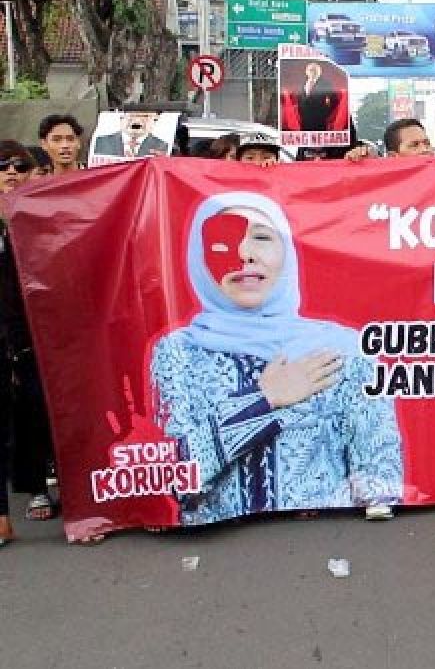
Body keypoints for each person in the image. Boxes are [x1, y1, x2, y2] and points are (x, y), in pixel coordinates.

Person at [151, 192, 403, 524]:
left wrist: (374, 500)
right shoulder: (178, 353)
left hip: (321, 536)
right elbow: (175, 477)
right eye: (224, 239)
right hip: (220, 548)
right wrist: (264, 399)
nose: (245, 255)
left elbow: (378, 470)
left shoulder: (340, 346)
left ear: (287, 251)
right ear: (199, 257)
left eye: (260, 237)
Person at [0, 142, 58, 546]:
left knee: (40, 414)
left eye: (21, 166)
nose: (12, 172)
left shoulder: (41, 222)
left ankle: (60, 487)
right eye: (2, 167)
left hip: (36, 335)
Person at [92, 111, 169, 158]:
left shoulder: (164, 147)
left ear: (154, 120)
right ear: (121, 118)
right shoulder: (100, 142)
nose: (137, 121)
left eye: (145, 116)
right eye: (132, 115)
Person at [297, 62, 342, 132]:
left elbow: (334, 100)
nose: (312, 72)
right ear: (306, 72)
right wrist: (300, 110)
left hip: (319, 118)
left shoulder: (326, 84)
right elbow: (300, 98)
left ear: (319, 72)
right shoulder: (303, 83)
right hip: (305, 118)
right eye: (310, 70)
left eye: (314, 70)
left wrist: (325, 112)